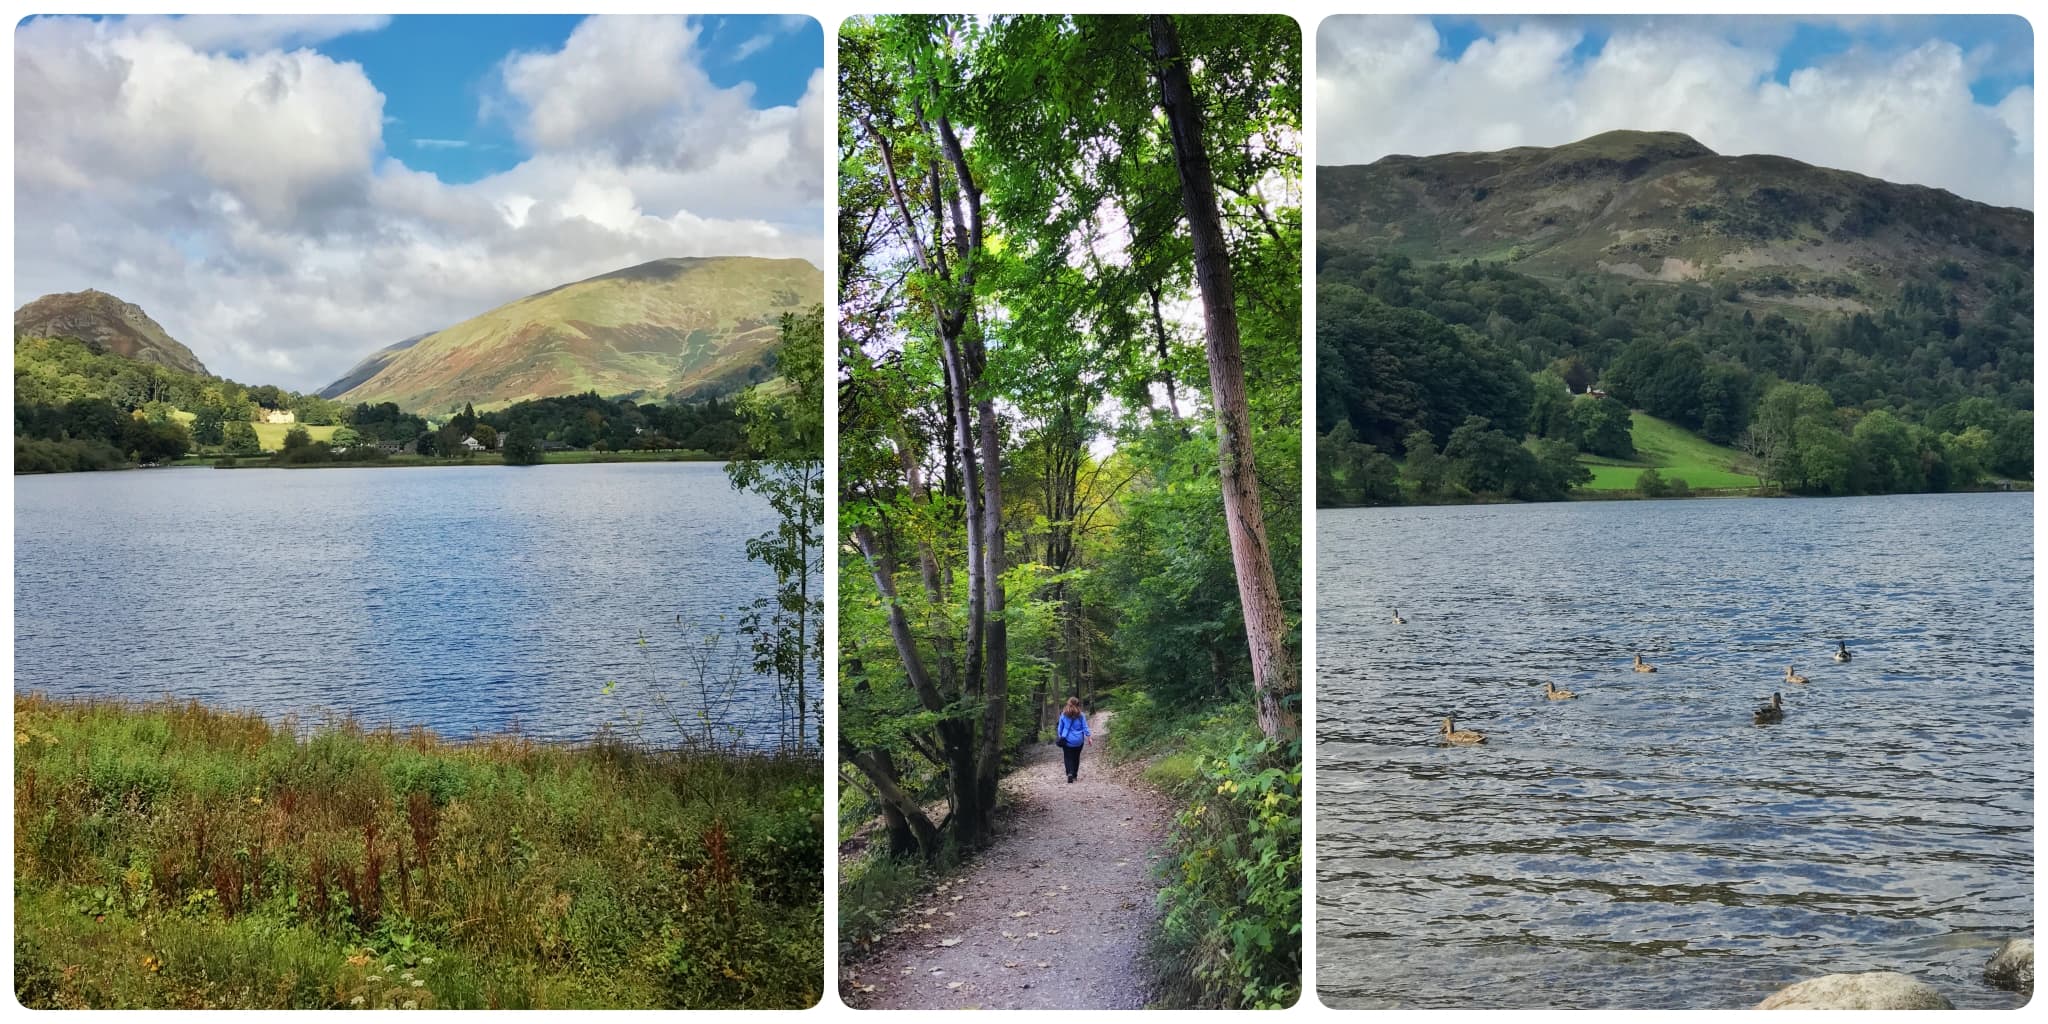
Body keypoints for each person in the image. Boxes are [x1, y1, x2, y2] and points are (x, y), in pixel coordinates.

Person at [1054, 697, 1091, 783]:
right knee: (1076, 757)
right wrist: (1089, 737)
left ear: (1068, 703)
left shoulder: (1063, 714)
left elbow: (1060, 728)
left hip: (1067, 740)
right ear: (1078, 704)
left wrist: (1061, 737)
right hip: (1079, 740)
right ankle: (1074, 775)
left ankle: (1069, 773)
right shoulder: (1081, 715)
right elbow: (1085, 727)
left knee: (1067, 757)